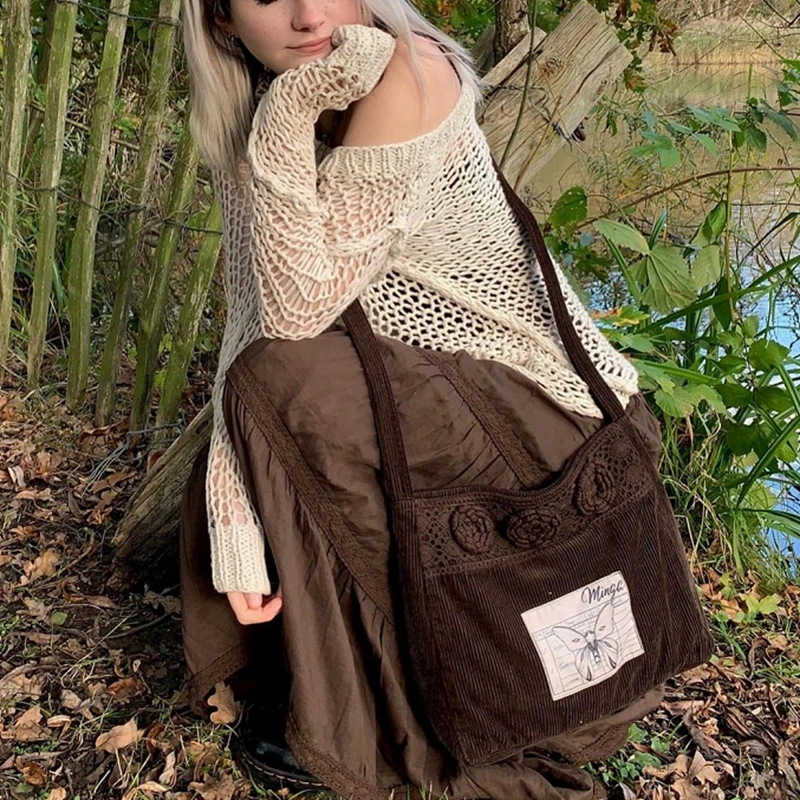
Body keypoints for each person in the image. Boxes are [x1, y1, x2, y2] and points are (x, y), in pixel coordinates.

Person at [178, 0, 665, 796]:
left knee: (297, 386)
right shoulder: (263, 111)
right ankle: (331, 677)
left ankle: (407, 711)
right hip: (424, 383)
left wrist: (290, 111)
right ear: (222, 22)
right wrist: (232, 513)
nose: (307, 15)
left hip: (531, 405)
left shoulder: (406, 75)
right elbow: (250, 322)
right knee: (279, 391)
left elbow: (294, 316)